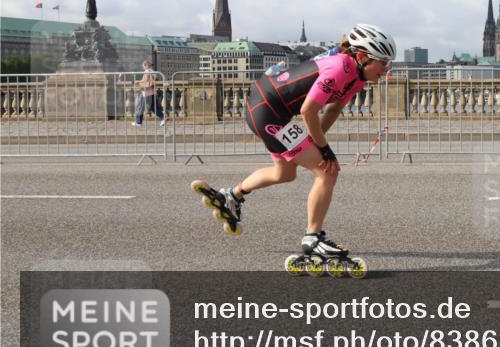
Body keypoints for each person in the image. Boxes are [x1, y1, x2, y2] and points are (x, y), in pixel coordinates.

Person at [196, 24, 395, 268]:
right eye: (384, 62)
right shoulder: (339, 69)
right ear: (363, 57)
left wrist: (315, 142)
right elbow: (308, 110)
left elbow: (333, 109)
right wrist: (323, 150)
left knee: (285, 173)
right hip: (267, 111)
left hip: (272, 109)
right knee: (327, 170)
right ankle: (313, 238)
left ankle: (231, 195)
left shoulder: (357, 77)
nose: (387, 70)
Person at [132, 60, 165, 127]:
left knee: (140, 107)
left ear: (146, 65)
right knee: (154, 108)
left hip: (146, 93)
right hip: (152, 92)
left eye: (143, 65)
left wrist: (137, 82)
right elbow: (150, 81)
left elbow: (145, 80)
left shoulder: (147, 71)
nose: (143, 67)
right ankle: (163, 118)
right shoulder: (153, 72)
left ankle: (138, 122)